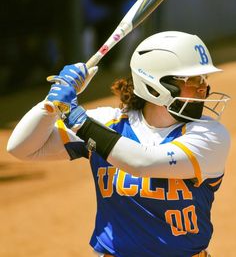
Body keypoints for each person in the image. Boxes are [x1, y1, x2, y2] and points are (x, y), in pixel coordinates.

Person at [7, 31, 231, 257]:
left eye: (204, 78)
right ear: (156, 85)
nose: (203, 87)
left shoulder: (210, 135)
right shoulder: (109, 123)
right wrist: (51, 104)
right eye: (192, 80)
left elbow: (142, 162)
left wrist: (78, 120)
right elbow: (22, 148)